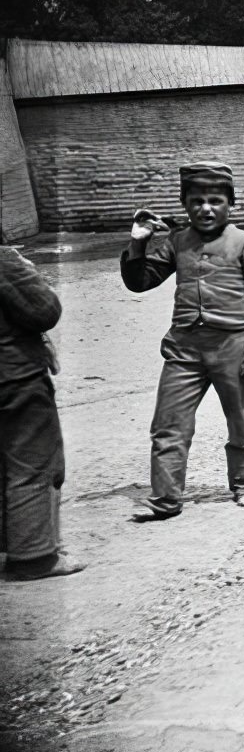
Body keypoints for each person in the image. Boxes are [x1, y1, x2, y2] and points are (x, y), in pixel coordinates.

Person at [121, 162, 244, 520]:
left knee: (241, 420)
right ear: (185, 204)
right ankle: (165, 500)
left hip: (233, 348)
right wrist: (138, 241)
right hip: (184, 349)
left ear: (230, 204)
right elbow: (141, 282)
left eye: (215, 201)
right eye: (195, 201)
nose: (205, 209)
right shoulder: (178, 241)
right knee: (168, 424)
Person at [0, 243, 84, 580]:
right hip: (15, 376)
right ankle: (33, 556)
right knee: (32, 462)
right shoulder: (4, 262)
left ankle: (13, 540)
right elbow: (45, 310)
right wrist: (22, 267)